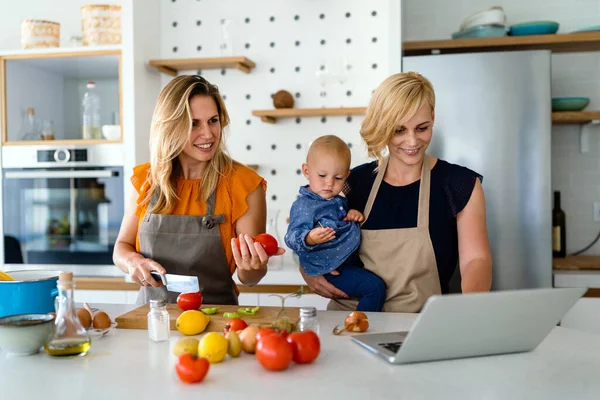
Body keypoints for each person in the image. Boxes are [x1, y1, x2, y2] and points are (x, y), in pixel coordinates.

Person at [300, 72, 493, 312]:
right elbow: (307, 228)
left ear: (433, 117)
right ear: (383, 127)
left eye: (422, 128)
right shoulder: (352, 182)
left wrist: (473, 305)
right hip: (350, 322)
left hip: (420, 327)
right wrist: (307, 270)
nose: (412, 142)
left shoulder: (459, 184)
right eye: (399, 131)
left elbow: (476, 259)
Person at [113, 75, 284, 305]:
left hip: (216, 325)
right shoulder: (146, 180)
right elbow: (121, 248)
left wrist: (254, 267)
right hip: (150, 320)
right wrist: (133, 262)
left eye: (213, 121)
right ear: (170, 126)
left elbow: (249, 278)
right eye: (194, 124)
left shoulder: (243, 184)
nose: (208, 134)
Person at [285, 135, 387, 312]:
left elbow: (340, 222)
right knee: (374, 288)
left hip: (345, 261)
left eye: (338, 178)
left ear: (347, 176)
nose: (330, 183)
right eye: (322, 175)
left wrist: (351, 214)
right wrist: (309, 238)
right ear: (306, 171)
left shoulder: (337, 200)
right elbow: (291, 237)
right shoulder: (304, 205)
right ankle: (360, 328)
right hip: (331, 269)